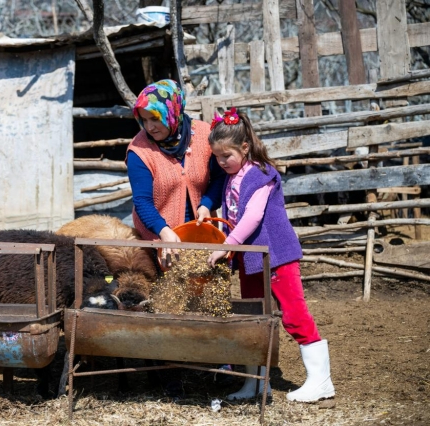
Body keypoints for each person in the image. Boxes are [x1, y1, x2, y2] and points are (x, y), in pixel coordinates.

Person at [203, 107, 335, 403]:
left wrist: (227, 245)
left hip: (276, 255)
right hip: (251, 257)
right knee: (252, 315)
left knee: (293, 312)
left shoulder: (262, 174)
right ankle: (255, 383)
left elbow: (252, 217)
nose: (221, 162)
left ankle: (321, 380)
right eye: (217, 157)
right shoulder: (232, 176)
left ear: (245, 148)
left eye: (227, 156)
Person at [126, 79, 226, 267]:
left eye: (155, 118)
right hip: (157, 235)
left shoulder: (204, 135)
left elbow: (220, 178)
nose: (149, 127)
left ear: (173, 112)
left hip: (201, 232)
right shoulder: (139, 151)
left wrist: (206, 204)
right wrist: (163, 231)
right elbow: (141, 201)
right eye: (144, 120)